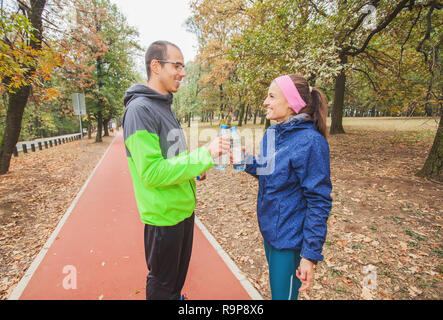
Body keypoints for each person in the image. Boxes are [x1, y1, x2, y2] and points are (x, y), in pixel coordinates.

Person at [122, 40, 230, 300]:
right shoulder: (139, 110)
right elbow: (152, 172)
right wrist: (205, 154)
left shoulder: (163, 106)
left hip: (183, 211)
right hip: (164, 218)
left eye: (184, 67)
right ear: (156, 66)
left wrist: (195, 170)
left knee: (174, 287)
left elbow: (171, 159)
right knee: (162, 288)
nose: (183, 72)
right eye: (178, 66)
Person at [244, 74, 332, 300]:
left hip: (290, 241)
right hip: (270, 232)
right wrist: (244, 159)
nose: (265, 102)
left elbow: (319, 201)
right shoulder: (272, 133)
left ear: (293, 104)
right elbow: (269, 172)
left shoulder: (311, 142)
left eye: (272, 96)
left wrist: (309, 255)